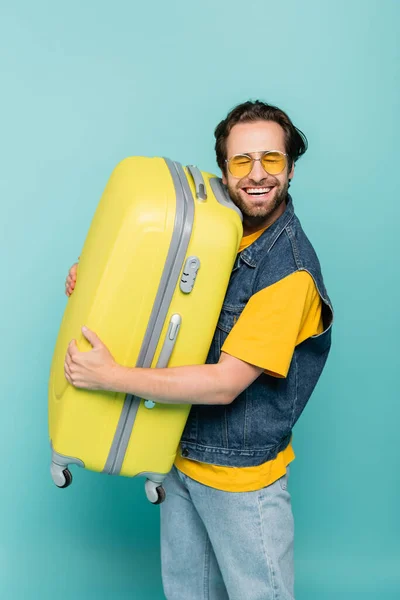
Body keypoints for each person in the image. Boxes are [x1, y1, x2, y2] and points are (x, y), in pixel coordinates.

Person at [64, 100, 333, 600]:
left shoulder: (289, 273)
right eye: (241, 161)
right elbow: (157, 279)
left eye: (271, 160)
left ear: (291, 167)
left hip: (240, 482)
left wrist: (110, 376)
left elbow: (225, 383)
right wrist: (92, 276)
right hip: (179, 455)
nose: (257, 175)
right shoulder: (214, 226)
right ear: (224, 170)